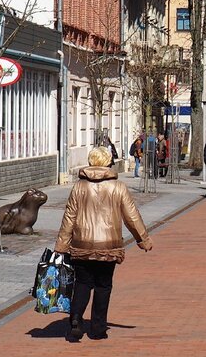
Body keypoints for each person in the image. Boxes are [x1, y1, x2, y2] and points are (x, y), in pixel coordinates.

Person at [53, 145, 153, 341]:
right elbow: (131, 216)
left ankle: (75, 319)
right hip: (109, 245)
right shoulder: (118, 187)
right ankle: (98, 328)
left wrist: (62, 245)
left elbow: (69, 217)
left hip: (82, 244)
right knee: (103, 285)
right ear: (108, 162)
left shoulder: (79, 187)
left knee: (82, 283)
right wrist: (143, 239)